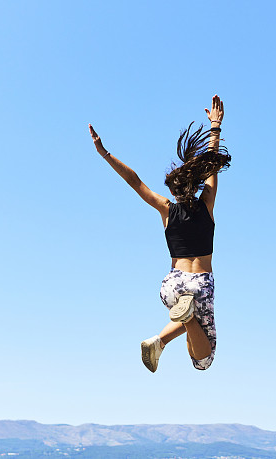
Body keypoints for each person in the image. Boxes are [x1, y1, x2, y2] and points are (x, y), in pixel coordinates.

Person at [89, 95, 230, 373]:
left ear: (174, 191)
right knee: (204, 359)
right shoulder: (207, 204)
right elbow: (212, 164)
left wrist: (105, 154)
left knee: (193, 334)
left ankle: (160, 341)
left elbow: (135, 181)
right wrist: (215, 126)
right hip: (199, 283)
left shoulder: (165, 209)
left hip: (171, 285)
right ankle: (187, 319)